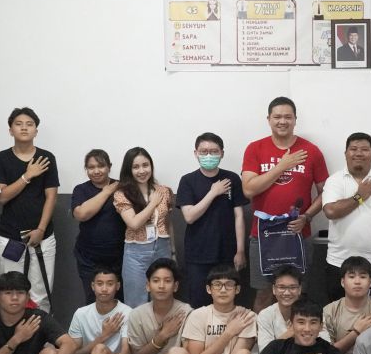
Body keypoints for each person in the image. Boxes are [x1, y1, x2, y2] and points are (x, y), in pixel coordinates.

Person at [242, 96, 329, 312]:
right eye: (277, 117)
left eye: (288, 117)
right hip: (263, 235)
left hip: (297, 234)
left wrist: (307, 217)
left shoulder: (311, 150)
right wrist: (282, 166)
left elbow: (325, 192)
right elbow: (249, 189)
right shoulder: (255, 148)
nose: (283, 121)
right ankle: (263, 334)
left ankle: (294, 333)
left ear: (295, 119)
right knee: (263, 293)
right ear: (269, 119)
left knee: (295, 292)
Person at [0, 107, 60, 312]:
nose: (24, 128)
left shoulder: (46, 157)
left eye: (29, 124)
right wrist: (27, 175)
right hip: (10, 236)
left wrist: (41, 229)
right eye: (19, 124)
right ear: (10, 130)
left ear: (36, 131)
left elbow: (51, 197)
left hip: (43, 234)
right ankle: (13, 330)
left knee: (41, 292)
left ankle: (40, 330)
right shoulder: (0, 159)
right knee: (10, 291)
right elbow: (2, 197)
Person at [322, 132, 371, 302]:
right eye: (354, 149)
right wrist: (360, 196)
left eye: (364, 149)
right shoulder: (334, 181)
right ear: (345, 153)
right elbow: (331, 211)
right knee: (337, 310)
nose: (358, 153)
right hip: (338, 261)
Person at [176, 132, 248, 308]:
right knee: (199, 303)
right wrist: (213, 192)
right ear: (196, 153)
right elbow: (189, 216)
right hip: (198, 254)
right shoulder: (187, 181)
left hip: (227, 253)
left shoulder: (232, 178)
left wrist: (240, 250)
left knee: (227, 302)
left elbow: (239, 216)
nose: (209, 155)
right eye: (204, 151)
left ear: (222, 153)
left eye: (214, 151)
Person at [113, 147, 175, 308]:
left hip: (163, 248)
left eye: (145, 165)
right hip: (136, 252)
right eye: (136, 167)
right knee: (136, 301)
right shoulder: (122, 193)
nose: (142, 171)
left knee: (163, 297)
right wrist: (152, 203)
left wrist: (173, 251)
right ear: (129, 169)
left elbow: (168, 223)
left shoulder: (164, 191)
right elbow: (133, 223)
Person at [71, 149, 126, 304]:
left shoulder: (122, 187)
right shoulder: (81, 189)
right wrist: (106, 192)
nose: (96, 171)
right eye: (91, 167)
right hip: (88, 258)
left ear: (109, 167)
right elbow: (81, 214)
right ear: (86, 169)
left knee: (119, 302)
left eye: (101, 166)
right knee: (93, 301)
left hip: (119, 257)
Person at [257, 265, 330, 352]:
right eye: (281, 287)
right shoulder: (265, 315)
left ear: (299, 289)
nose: (287, 293)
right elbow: (264, 353)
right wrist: (290, 333)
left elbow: (326, 347)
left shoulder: (314, 311)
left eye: (292, 287)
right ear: (274, 289)